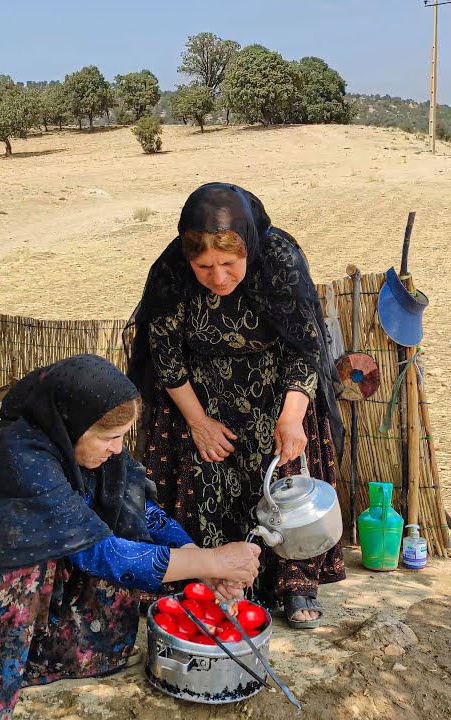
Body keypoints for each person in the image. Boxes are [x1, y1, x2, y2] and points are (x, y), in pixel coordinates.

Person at [0, 354, 261, 720]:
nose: (118, 450)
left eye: (123, 438)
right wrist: (213, 562)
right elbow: (100, 554)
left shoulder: (83, 444)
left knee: (120, 530)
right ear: (72, 423)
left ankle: (50, 651)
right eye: (109, 438)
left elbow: (141, 510)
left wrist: (194, 553)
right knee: (29, 566)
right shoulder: (14, 457)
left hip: (53, 570)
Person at [125, 182, 346, 628]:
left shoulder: (279, 259)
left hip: (277, 390)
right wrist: (198, 421)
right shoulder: (171, 270)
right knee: (204, 473)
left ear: (248, 247)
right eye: (204, 266)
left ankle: (294, 583)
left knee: (284, 480)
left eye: (229, 263)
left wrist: (291, 417)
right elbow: (164, 354)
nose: (218, 277)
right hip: (199, 396)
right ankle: (207, 582)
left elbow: (305, 347)